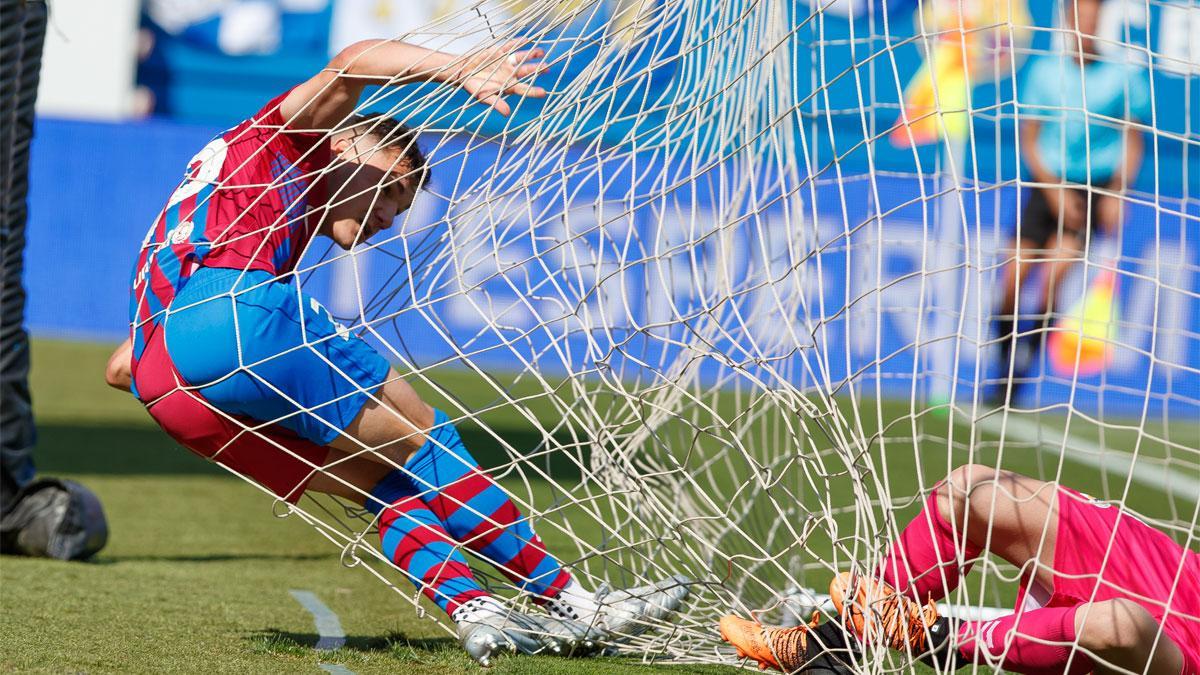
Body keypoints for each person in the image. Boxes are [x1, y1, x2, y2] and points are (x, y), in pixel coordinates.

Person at [104, 38, 687, 666]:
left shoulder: (230, 210)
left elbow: (121, 368)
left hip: (168, 386)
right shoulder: (289, 141)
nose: (389, 216)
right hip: (235, 310)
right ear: (350, 150)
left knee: (387, 482)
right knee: (426, 440)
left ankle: (475, 610)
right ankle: (575, 603)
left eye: (401, 206)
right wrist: (461, 69)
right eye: (390, 191)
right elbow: (352, 61)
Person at [720, 465, 1199, 674]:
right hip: (1181, 576)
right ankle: (830, 648)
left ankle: (944, 640)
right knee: (970, 491)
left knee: (1115, 624)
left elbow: (1122, 630)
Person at [991, 0, 1148, 404]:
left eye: (1093, 16)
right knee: (1013, 281)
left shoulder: (1123, 75)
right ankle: (1002, 364)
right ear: (1068, 21)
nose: (1086, 24)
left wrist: (1116, 193)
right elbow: (1030, 139)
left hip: (1091, 191)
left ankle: (1022, 373)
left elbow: (1133, 139)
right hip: (1045, 185)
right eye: (1079, 15)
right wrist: (1053, 190)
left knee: (1054, 281)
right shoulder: (1045, 72)